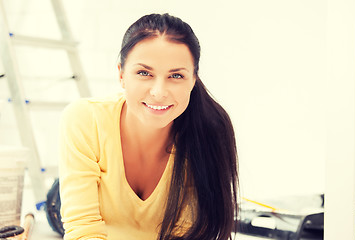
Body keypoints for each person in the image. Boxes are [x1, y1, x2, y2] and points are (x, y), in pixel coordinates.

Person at [59, 13, 239, 240]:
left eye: (176, 75)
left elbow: (187, 233)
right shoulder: (85, 119)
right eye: (144, 73)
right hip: (71, 206)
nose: (159, 92)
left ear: (193, 80)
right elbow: (82, 230)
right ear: (121, 75)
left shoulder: (209, 133)